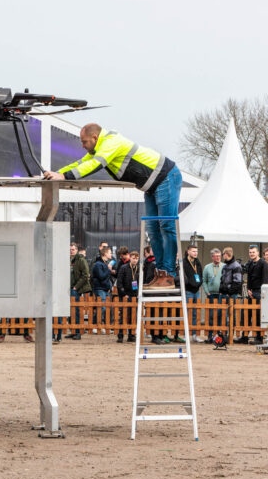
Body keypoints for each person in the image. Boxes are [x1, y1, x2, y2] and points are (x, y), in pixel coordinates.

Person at [45, 123, 181, 290]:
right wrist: (57, 173)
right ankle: (161, 273)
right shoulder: (100, 148)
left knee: (166, 225)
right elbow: (80, 163)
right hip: (152, 186)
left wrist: (64, 176)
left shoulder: (111, 142)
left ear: (95, 138)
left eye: (85, 142)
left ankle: (168, 274)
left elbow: (94, 165)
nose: (82, 145)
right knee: (152, 229)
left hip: (166, 178)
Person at [242, 245, 268, 344]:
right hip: (251, 292)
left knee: (258, 315)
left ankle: (259, 338)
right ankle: (244, 337)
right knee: (246, 314)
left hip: (259, 292)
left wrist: (262, 292)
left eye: (253, 252)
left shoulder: (263, 263)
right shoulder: (250, 263)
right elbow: (249, 278)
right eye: (250, 252)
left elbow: (265, 279)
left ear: (257, 253)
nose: (251, 254)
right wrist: (248, 289)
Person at [66, 242, 91, 341]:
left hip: (75, 289)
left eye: (73, 249)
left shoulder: (81, 260)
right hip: (68, 288)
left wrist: (76, 287)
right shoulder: (67, 259)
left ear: (76, 250)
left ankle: (77, 332)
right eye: (70, 250)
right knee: (69, 311)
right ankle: (73, 331)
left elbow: (85, 275)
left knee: (75, 311)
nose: (71, 251)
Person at [219, 247, 242, 344]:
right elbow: (222, 279)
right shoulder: (225, 266)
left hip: (231, 295)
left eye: (223, 254)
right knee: (223, 315)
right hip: (224, 294)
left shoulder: (236, 266)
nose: (222, 256)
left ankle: (231, 335)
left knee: (232, 315)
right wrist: (221, 290)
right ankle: (224, 335)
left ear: (226, 254)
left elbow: (238, 282)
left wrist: (229, 292)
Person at [182, 245, 204, 343]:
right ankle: (185, 335)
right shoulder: (184, 262)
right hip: (188, 291)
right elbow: (184, 276)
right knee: (187, 313)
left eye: (196, 251)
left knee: (196, 313)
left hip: (197, 291)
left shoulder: (197, 262)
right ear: (188, 252)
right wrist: (190, 284)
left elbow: (200, 274)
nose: (196, 253)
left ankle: (195, 335)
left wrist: (199, 283)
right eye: (193, 251)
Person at [116, 251, 140, 343]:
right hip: (126, 295)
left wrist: (138, 293)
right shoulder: (124, 268)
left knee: (133, 316)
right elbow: (119, 282)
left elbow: (140, 282)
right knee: (123, 316)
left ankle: (131, 335)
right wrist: (123, 294)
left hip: (135, 295)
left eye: (137, 259)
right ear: (130, 258)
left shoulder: (139, 269)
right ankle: (120, 335)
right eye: (133, 258)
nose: (135, 260)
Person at [202, 248, 223, 343]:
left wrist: (224, 291)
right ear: (212, 257)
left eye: (219, 256)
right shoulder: (207, 267)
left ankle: (219, 335)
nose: (218, 258)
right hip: (211, 295)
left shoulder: (224, 266)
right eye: (216, 256)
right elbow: (204, 281)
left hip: (221, 295)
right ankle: (210, 336)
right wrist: (207, 292)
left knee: (220, 315)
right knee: (210, 315)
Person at [91, 246, 112, 330]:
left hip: (105, 288)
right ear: (105, 254)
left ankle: (99, 324)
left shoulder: (104, 263)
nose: (111, 254)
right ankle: (95, 325)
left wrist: (109, 286)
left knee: (105, 308)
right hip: (100, 288)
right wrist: (108, 270)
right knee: (101, 307)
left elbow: (106, 278)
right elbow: (101, 276)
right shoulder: (98, 264)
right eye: (110, 253)